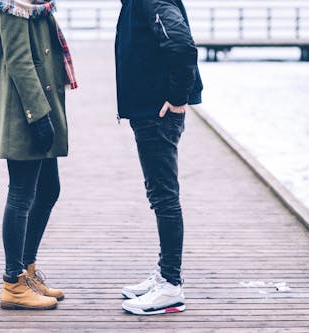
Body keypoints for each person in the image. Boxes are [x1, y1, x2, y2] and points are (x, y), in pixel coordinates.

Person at [0, 0, 77, 310]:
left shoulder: (35, 5)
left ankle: (26, 269)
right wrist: (40, 115)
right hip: (24, 112)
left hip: (39, 107)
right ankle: (13, 282)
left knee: (48, 189)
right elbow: (19, 60)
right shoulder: (13, 5)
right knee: (21, 193)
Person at [115, 0, 203, 315]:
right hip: (148, 110)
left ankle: (170, 286)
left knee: (164, 196)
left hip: (158, 113)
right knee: (159, 194)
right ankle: (165, 275)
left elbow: (181, 45)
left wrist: (178, 98)